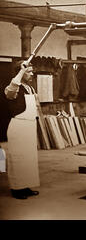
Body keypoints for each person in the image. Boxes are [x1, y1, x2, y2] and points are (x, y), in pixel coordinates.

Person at [1, 60, 40, 199]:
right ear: (20, 72)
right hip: (18, 126)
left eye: (31, 71)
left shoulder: (30, 88)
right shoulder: (12, 87)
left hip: (29, 125)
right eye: (28, 71)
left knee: (29, 159)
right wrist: (22, 71)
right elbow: (11, 91)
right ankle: (16, 189)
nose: (32, 73)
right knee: (18, 159)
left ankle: (26, 186)